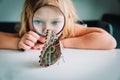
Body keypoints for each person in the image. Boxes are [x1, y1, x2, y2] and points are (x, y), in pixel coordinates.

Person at [0, 0, 117, 50]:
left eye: (55, 22)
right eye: (38, 21)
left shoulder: (70, 30)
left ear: (68, 20)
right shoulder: (29, 35)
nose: (47, 29)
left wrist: (61, 43)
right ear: (27, 19)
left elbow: (110, 42)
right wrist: (19, 43)